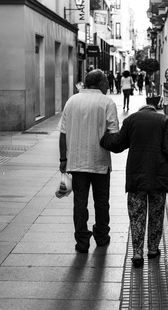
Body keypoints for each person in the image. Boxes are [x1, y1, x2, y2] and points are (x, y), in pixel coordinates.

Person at [100, 105, 168, 268]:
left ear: (141, 110)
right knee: (156, 214)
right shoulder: (166, 121)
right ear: (152, 110)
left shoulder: (131, 120)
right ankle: (152, 250)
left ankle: (137, 253)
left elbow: (117, 144)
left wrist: (103, 138)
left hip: (136, 176)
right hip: (159, 177)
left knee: (137, 215)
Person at [59, 69, 119, 253]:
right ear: (100, 83)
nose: (108, 86)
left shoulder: (72, 101)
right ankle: (101, 236)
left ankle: (82, 242)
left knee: (80, 202)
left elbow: (63, 134)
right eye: (107, 83)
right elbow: (114, 134)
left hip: (76, 162)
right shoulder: (107, 102)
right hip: (99, 162)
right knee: (101, 201)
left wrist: (63, 159)